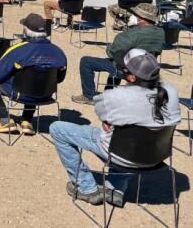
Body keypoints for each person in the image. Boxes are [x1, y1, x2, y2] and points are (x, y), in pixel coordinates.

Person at [49, 49, 180, 207]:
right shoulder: (171, 91)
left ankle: (86, 188)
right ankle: (115, 189)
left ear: (131, 76)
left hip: (121, 155)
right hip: (155, 157)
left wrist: (112, 121)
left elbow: (102, 114)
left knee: (57, 128)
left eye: (123, 69)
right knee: (128, 136)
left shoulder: (116, 96)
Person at [0, 14, 67, 136]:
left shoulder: (18, 50)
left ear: (25, 31)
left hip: (20, 93)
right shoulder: (59, 52)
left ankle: (4, 119)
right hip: (45, 94)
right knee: (34, 80)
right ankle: (27, 120)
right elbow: (60, 79)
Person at [73, 3, 164, 105]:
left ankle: (88, 96)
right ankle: (109, 92)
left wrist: (109, 47)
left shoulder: (132, 34)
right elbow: (158, 50)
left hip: (128, 71)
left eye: (136, 14)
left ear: (141, 18)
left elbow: (112, 53)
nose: (133, 15)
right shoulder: (160, 32)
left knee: (86, 61)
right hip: (148, 71)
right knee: (117, 61)